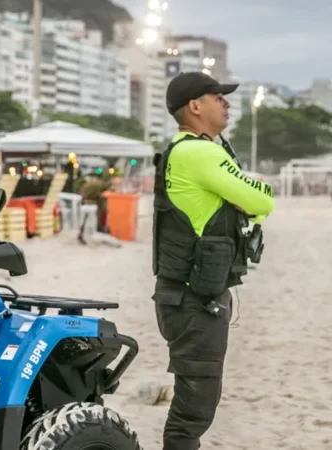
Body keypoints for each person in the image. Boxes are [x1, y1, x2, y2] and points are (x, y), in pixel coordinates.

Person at [152, 71, 275, 450]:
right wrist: (250, 196)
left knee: (195, 400)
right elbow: (262, 200)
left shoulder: (183, 150)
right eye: (217, 96)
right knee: (195, 408)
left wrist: (244, 197)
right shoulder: (200, 152)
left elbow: (248, 200)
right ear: (195, 106)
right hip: (195, 300)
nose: (226, 103)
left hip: (182, 295)